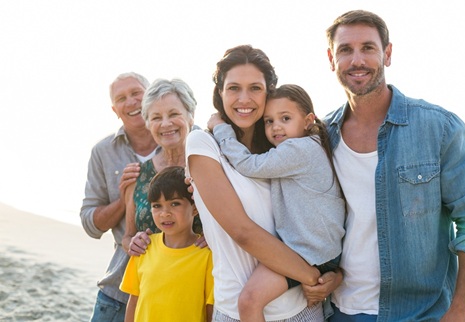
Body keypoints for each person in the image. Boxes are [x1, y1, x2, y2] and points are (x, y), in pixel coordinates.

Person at [323, 10, 465, 321]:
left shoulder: (439, 128)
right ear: (331, 58)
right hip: (338, 311)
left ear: (387, 53)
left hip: (419, 313)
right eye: (345, 50)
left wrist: (462, 310)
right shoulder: (320, 136)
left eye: (368, 48)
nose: (357, 60)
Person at [186, 44, 341, 322]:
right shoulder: (204, 143)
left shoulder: (280, 147)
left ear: (268, 91)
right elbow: (242, 231)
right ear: (220, 93)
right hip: (240, 310)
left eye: (255, 88)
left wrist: (335, 275)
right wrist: (312, 276)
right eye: (233, 88)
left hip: (304, 308)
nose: (244, 98)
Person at [80, 72, 158, 322]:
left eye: (136, 93)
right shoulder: (103, 152)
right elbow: (91, 225)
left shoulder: (182, 137)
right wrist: (124, 200)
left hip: (176, 285)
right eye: (122, 98)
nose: (131, 102)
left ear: (150, 95)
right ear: (115, 109)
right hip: (119, 290)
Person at [119, 166, 214, 322]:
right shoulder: (144, 247)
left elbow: (210, 312)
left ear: (195, 208)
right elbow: (134, 302)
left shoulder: (207, 255)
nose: (165, 213)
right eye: (157, 206)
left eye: (175, 204)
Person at [120, 78, 202, 257]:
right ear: (148, 124)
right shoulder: (137, 175)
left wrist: (214, 239)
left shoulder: (208, 167)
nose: (165, 124)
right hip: (155, 280)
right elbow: (127, 236)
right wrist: (133, 243)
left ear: (190, 117)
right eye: (156, 117)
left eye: (173, 114)